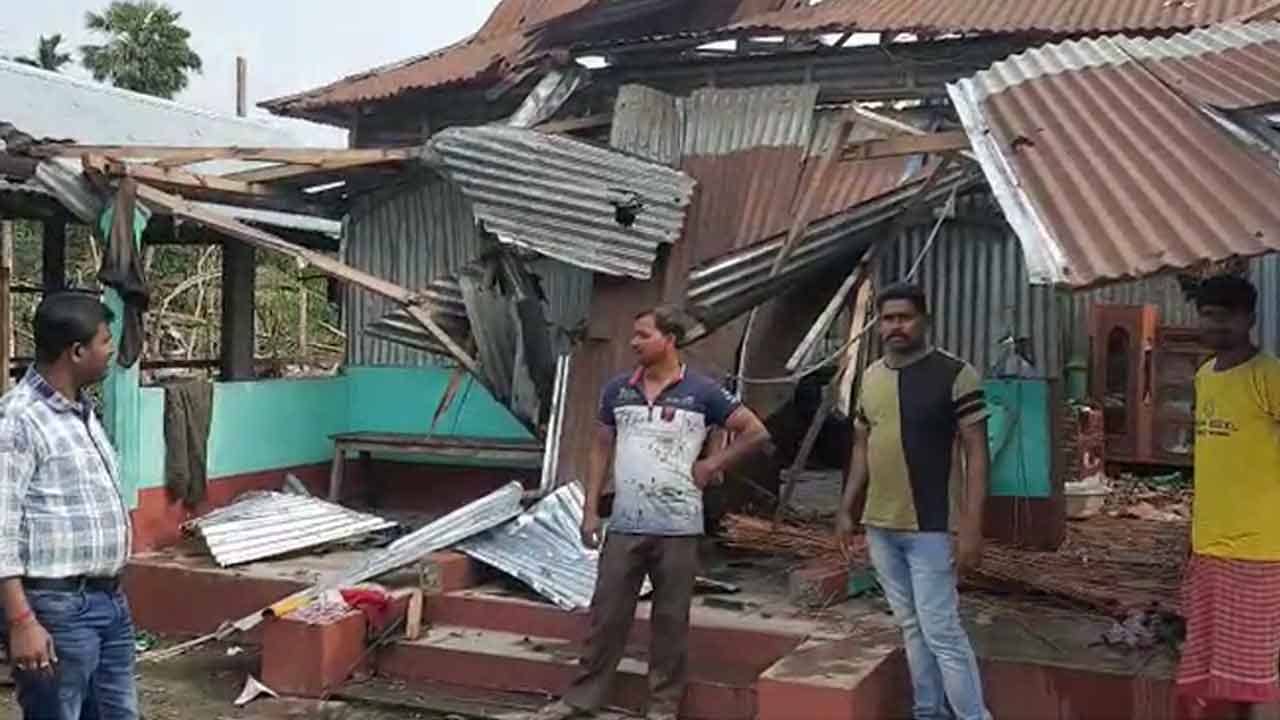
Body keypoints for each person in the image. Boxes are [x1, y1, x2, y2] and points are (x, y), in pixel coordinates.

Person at [534, 306, 770, 720]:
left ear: (669, 339)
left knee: (670, 620)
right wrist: (590, 509)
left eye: (643, 335)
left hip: (679, 527)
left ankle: (662, 707)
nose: (633, 342)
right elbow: (600, 447)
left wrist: (714, 464)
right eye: (634, 335)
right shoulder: (617, 391)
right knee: (606, 614)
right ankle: (581, 699)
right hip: (624, 525)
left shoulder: (702, 391)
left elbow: (755, 431)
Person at [835, 282, 992, 720]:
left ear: (924, 320)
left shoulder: (956, 374)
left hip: (932, 527)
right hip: (881, 526)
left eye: (904, 317)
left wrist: (972, 526)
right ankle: (928, 712)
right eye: (888, 319)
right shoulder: (870, 377)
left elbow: (977, 453)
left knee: (942, 631)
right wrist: (848, 508)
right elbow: (863, 446)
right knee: (911, 627)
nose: (895, 326)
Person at [0, 292, 138, 720]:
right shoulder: (19, 420)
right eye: (104, 342)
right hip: (57, 608)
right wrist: (22, 622)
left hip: (108, 602)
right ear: (76, 352)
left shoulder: (82, 412)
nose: (111, 350)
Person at [1177, 275, 1280, 720]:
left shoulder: (1269, 376)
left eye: (1225, 316)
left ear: (1250, 320)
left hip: (1258, 550)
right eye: (1207, 315)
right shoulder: (1204, 377)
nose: (1214, 324)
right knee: (1220, 672)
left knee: (1256, 676)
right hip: (1209, 546)